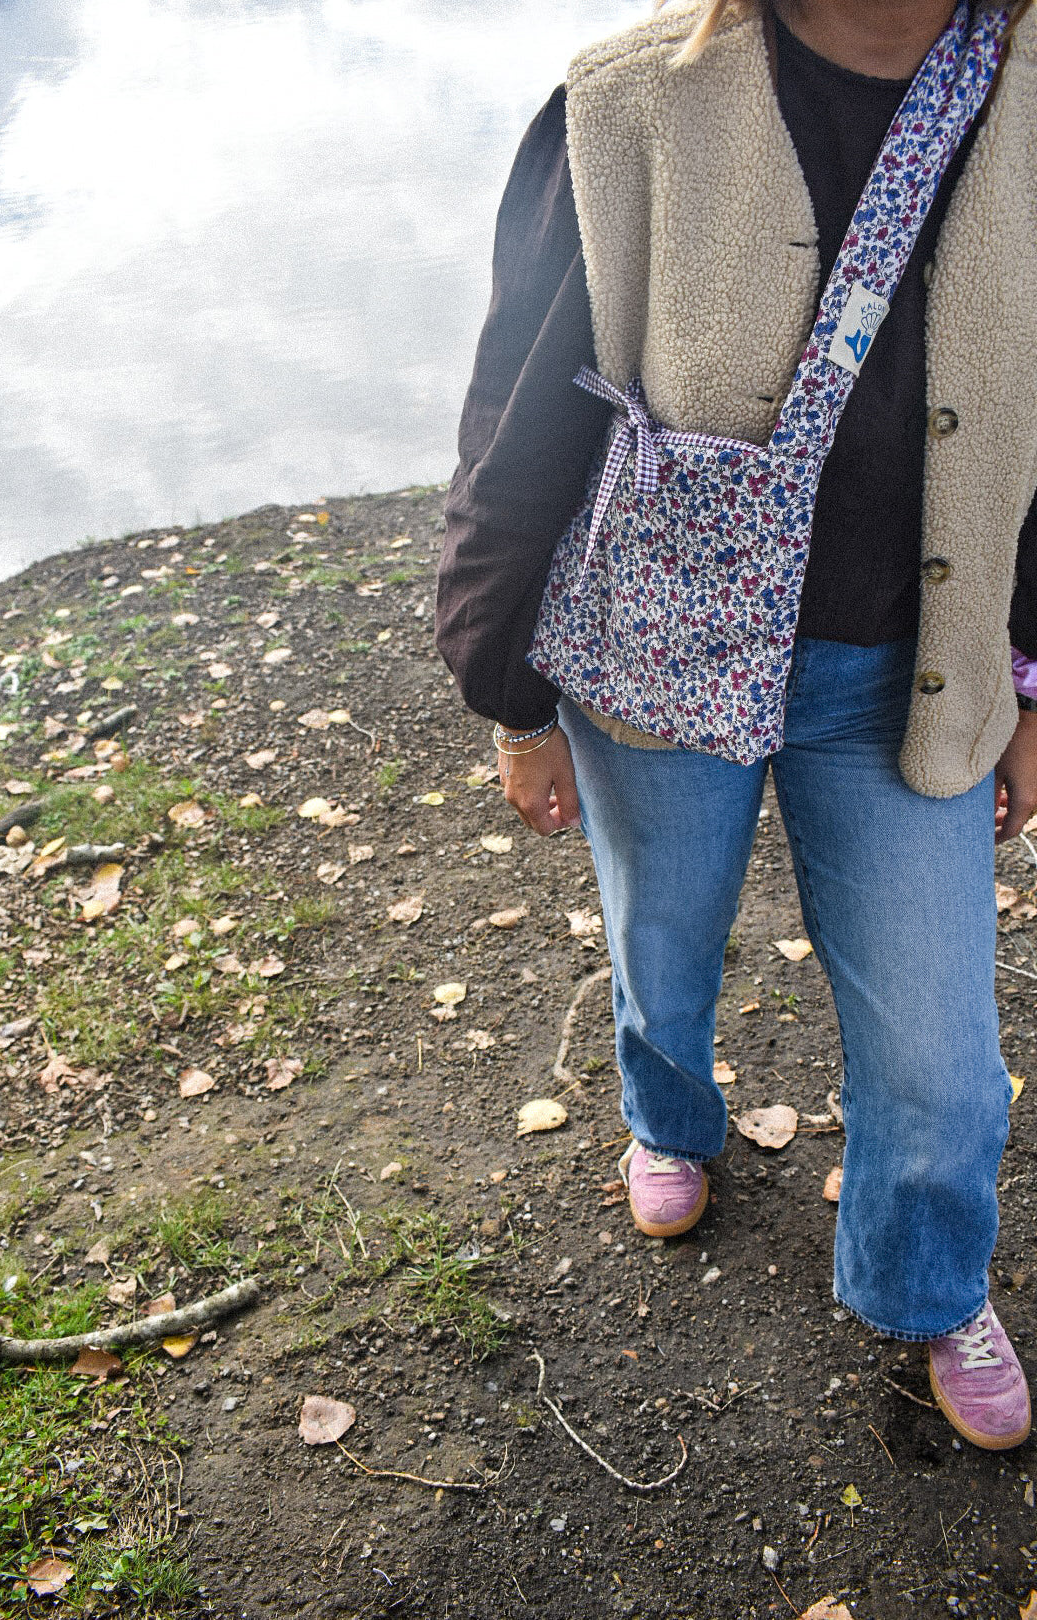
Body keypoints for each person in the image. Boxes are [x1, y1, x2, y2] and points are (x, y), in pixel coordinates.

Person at [436, 0, 1037, 1451]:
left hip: (909, 674)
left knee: (942, 1061)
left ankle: (928, 1283)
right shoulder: (626, 103)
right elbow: (523, 411)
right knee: (665, 934)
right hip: (655, 651)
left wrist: (1028, 677)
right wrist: (510, 694)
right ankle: (670, 1115)